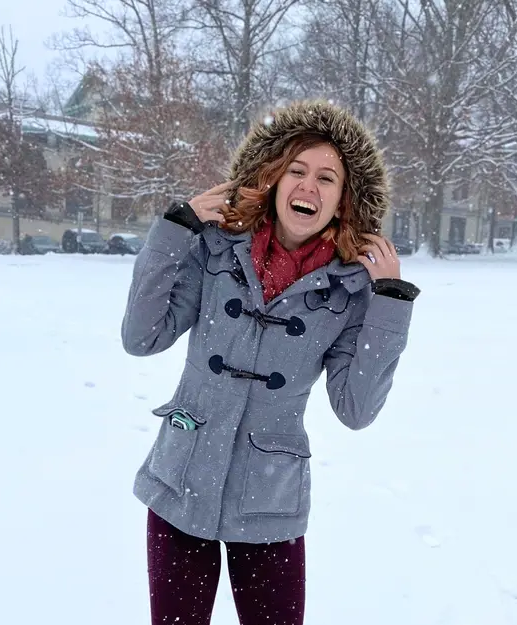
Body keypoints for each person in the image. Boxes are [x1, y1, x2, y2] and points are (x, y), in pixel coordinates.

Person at [121, 99, 421, 625]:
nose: (309, 186)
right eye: (297, 171)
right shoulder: (215, 251)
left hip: (268, 502)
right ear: (274, 179)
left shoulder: (349, 292)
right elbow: (141, 337)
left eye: (327, 178)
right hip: (181, 480)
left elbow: (355, 409)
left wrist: (389, 303)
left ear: (342, 201)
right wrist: (174, 232)